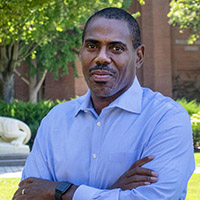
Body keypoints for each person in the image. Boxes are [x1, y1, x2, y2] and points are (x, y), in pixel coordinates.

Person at [13, 7, 195, 200]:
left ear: (139, 56)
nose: (101, 57)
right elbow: (28, 195)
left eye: (116, 48)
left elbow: (155, 198)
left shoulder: (166, 118)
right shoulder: (56, 120)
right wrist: (113, 191)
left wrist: (59, 190)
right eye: (92, 46)